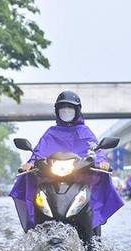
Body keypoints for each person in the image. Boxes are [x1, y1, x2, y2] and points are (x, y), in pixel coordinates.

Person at [9, 90, 124, 234]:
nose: (66, 111)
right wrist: (30, 164)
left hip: (79, 180)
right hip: (51, 181)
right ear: (57, 111)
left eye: (69, 108)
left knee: (95, 192)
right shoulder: (50, 133)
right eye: (62, 108)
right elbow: (38, 153)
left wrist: (101, 162)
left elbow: (95, 151)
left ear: (77, 110)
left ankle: (92, 237)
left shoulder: (84, 132)